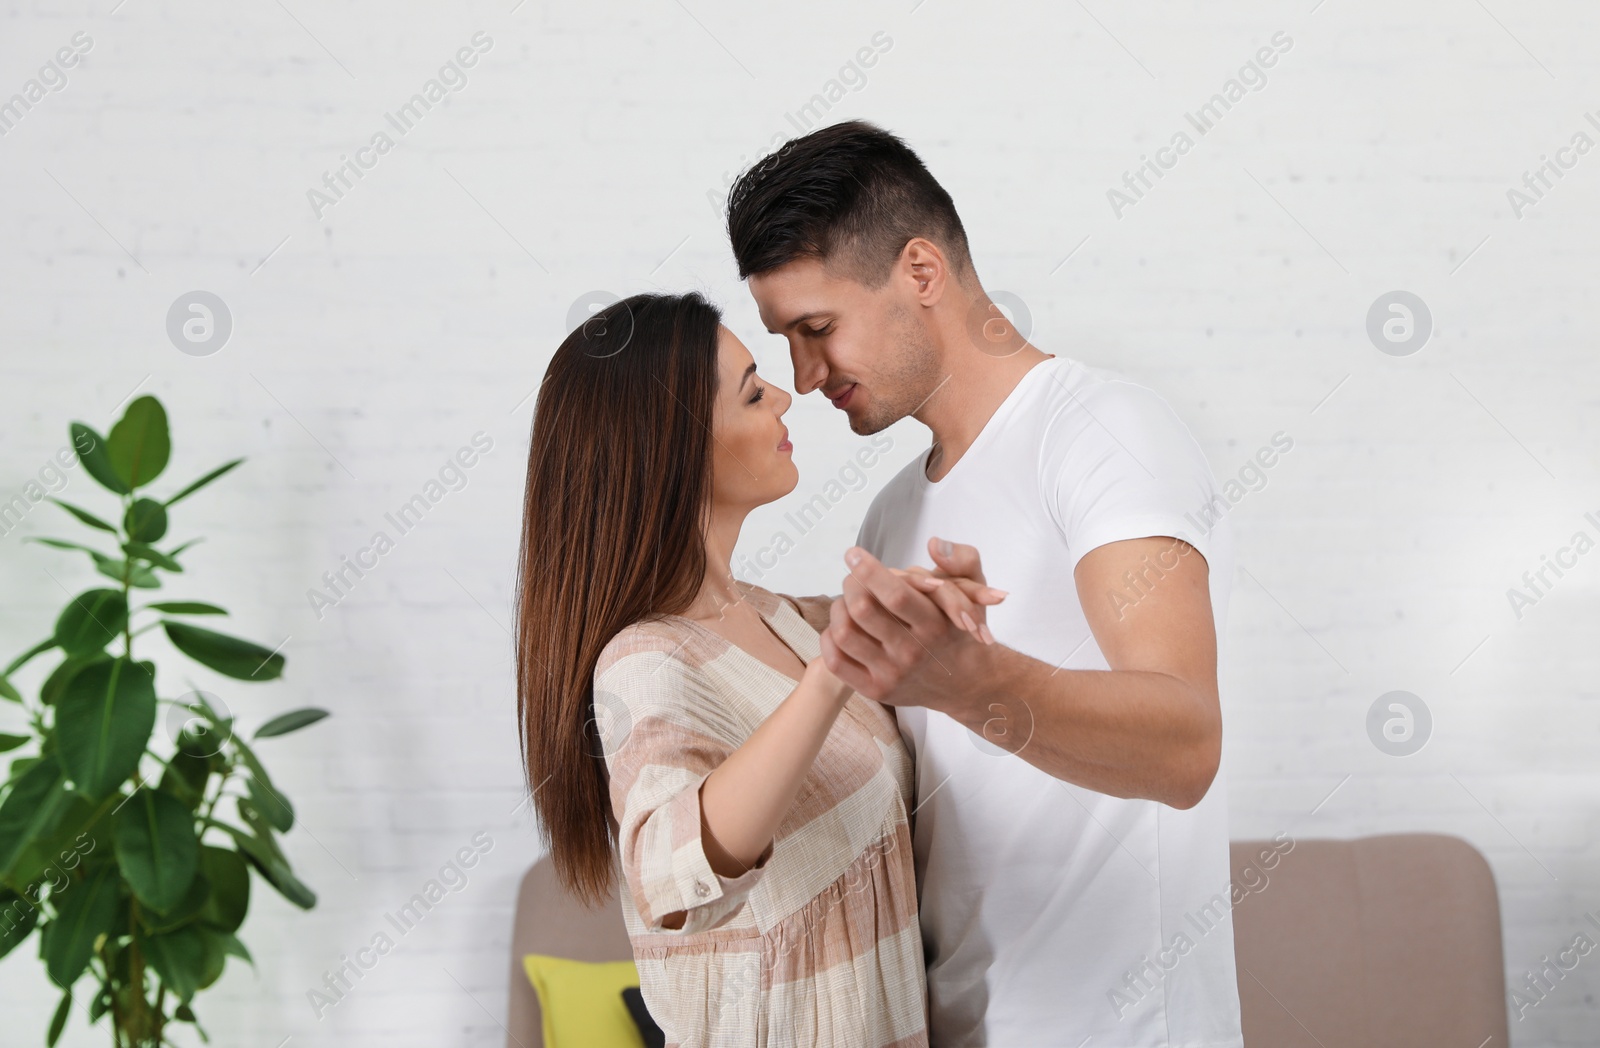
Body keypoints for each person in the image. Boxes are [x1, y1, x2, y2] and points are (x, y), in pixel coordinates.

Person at [724, 120, 1246, 1047]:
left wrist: (977, 684)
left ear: (921, 273)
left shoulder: (1099, 431)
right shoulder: (890, 518)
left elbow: (1186, 744)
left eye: (817, 329)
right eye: (786, 342)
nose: (803, 377)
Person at [513, 290, 1005, 1047]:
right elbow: (671, 877)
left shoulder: (786, 620)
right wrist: (834, 671)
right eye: (751, 392)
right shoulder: (645, 660)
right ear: (672, 448)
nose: (786, 395)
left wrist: (930, 604)